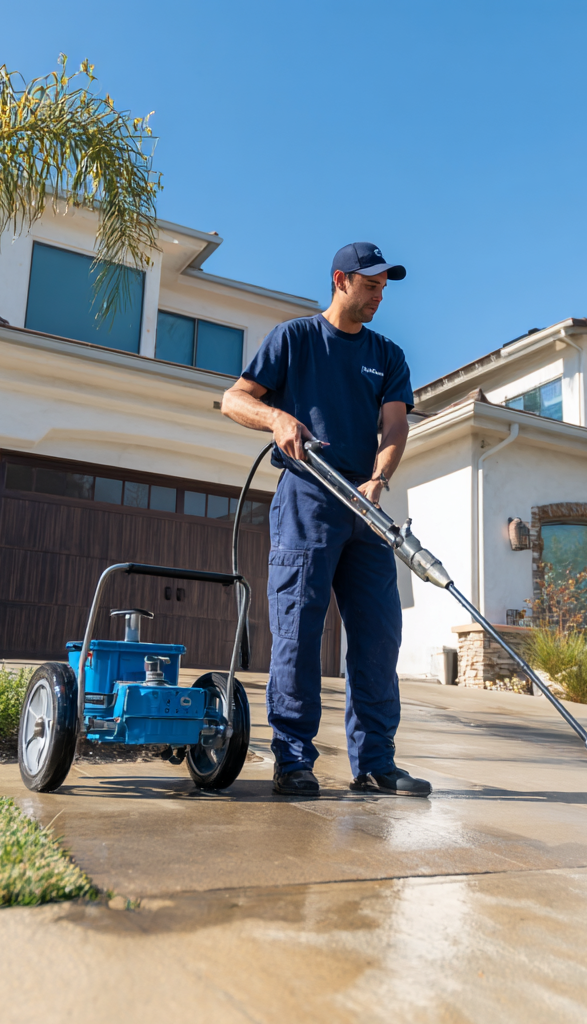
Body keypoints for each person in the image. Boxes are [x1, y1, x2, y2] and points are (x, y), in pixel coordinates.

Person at [220, 242, 431, 798]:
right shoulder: (295, 339)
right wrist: (276, 418)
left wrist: (380, 478)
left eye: (384, 287)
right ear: (340, 280)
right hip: (307, 500)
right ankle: (292, 760)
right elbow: (233, 399)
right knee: (298, 631)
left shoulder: (388, 355)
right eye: (370, 285)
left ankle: (376, 763)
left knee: (379, 636)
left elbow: (394, 428)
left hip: (366, 508)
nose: (378, 295)